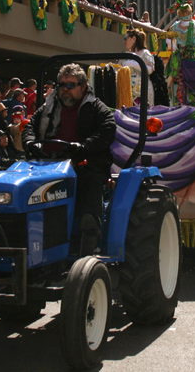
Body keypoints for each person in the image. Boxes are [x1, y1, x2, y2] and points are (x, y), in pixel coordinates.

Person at [22, 64, 116, 254]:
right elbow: (30, 127)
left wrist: (83, 147)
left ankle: (88, 239)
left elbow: (107, 130)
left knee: (90, 184)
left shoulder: (96, 108)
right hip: (46, 164)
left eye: (70, 85)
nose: (65, 89)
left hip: (83, 165)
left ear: (83, 86)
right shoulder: (47, 107)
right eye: (61, 85)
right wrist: (30, 142)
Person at [123, 28, 155, 106]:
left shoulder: (145, 52)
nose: (124, 41)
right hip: (128, 90)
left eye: (126, 38)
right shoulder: (126, 54)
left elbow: (151, 69)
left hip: (142, 90)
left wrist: (133, 64)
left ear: (134, 38)